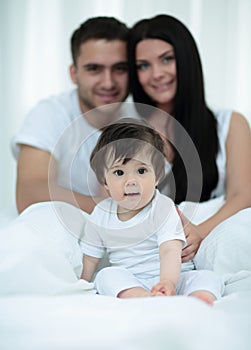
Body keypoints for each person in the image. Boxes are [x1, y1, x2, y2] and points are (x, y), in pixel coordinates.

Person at [128, 14, 251, 263]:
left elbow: (243, 194)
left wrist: (198, 233)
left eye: (167, 59)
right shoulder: (128, 131)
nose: (156, 74)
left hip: (210, 241)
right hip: (151, 252)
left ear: (186, 59)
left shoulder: (230, 123)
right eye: (143, 65)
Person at [80, 119, 224, 304]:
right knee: (105, 276)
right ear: (104, 181)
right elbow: (90, 258)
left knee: (208, 277)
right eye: (119, 173)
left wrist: (167, 282)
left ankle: (197, 299)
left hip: (175, 278)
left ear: (157, 176)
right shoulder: (101, 214)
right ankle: (144, 298)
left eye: (141, 170)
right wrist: (82, 284)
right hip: (133, 280)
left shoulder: (162, 207)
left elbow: (169, 251)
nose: (131, 181)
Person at [11, 16, 133, 214]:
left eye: (120, 69)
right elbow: (30, 194)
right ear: (73, 73)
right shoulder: (50, 113)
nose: (108, 82)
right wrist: (113, 211)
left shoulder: (142, 120)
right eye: (94, 69)